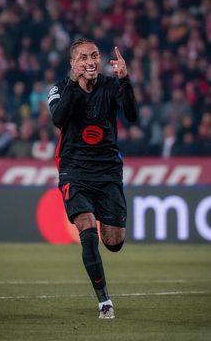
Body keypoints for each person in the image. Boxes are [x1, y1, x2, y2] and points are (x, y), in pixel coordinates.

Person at [48, 38, 138, 319]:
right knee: (87, 233)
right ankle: (104, 303)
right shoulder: (59, 89)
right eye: (84, 57)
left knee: (114, 242)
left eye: (95, 55)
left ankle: (102, 215)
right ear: (73, 64)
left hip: (108, 169)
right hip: (74, 169)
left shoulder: (112, 86)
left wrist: (126, 80)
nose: (90, 61)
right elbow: (59, 120)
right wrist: (75, 86)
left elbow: (133, 116)